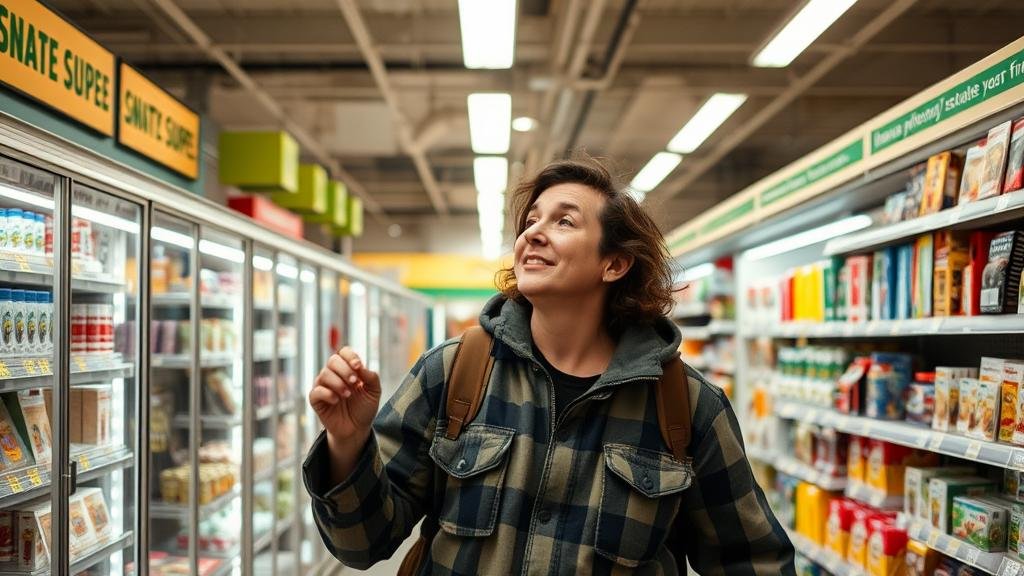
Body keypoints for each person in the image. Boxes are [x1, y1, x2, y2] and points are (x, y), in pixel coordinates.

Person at [304, 157, 795, 575]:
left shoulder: (685, 408)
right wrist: (346, 443)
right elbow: (362, 545)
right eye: (531, 221)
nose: (534, 233)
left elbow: (753, 561)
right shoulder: (453, 373)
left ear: (614, 264)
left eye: (564, 221)